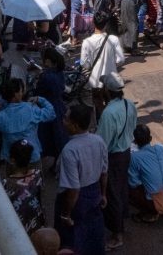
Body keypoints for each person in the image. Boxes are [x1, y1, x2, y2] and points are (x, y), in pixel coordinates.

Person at [55, 104, 108, 255]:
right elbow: (104, 171)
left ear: (75, 125)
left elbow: (74, 188)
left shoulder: (70, 150)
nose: (63, 121)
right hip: (94, 192)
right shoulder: (98, 141)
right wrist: (103, 194)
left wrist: (66, 214)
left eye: (66, 119)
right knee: (93, 234)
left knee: (73, 238)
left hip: (75, 199)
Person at [96, 72, 137, 250]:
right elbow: (133, 126)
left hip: (113, 157)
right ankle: (122, 218)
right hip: (126, 152)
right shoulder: (129, 104)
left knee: (111, 194)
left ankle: (117, 234)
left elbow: (102, 143)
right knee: (121, 188)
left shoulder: (108, 113)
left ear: (107, 90)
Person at [0, 78, 55, 168]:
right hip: (32, 157)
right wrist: (40, 99)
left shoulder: (0, 116)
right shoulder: (30, 108)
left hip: (12, 161)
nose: (23, 92)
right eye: (21, 90)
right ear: (15, 94)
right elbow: (51, 113)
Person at [128, 124, 163, 223]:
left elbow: (133, 183)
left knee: (130, 187)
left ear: (135, 142)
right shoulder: (161, 148)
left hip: (156, 203)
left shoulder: (135, 157)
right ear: (150, 138)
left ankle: (150, 212)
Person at [81, 11, 125, 122]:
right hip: (111, 80)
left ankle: (102, 124)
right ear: (106, 24)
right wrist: (111, 64)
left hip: (95, 81)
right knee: (112, 104)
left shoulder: (87, 42)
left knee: (98, 105)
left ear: (93, 23)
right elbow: (121, 59)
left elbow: (84, 63)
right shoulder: (113, 39)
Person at [2, 139, 46, 235]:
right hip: (36, 220)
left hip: (19, 226)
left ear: (12, 160)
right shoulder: (37, 174)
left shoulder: (6, 183)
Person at [35, 48, 68, 160]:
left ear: (48, 60)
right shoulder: (59, 72)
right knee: (59, 135)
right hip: (59, 106)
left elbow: (39, 91)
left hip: (47, 107)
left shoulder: (46, 76)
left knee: (46, 136)